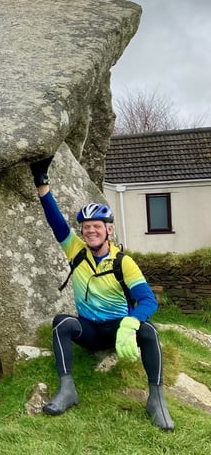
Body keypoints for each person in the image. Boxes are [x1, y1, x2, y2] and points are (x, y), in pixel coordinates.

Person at [29, 155, 174, 431]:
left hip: (118, 329)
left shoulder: (123, 262)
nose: (91, 231)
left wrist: (131, 323)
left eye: (97, 227)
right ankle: (67, 389)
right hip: (90, 330)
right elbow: (55, 221)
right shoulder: (76, 250)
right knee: (61, 322)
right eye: (86, 227)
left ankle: (156, 399)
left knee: (150, 332)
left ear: (108, 230)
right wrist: (42, 185)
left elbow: (147, 299)